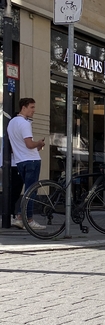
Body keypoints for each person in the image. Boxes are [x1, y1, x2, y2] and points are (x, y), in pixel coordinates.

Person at [7, 98, 45, 230]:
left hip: (20, 161)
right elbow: (29, 144)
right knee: (31, 191)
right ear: (24, 107)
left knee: (27, 190)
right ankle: (28, 219)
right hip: (31, 160)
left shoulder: (11, 123)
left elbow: (18, 146)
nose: (34, 110)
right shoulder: (24, 123)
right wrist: (39, 143)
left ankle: (19, 217)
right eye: (32, 107)